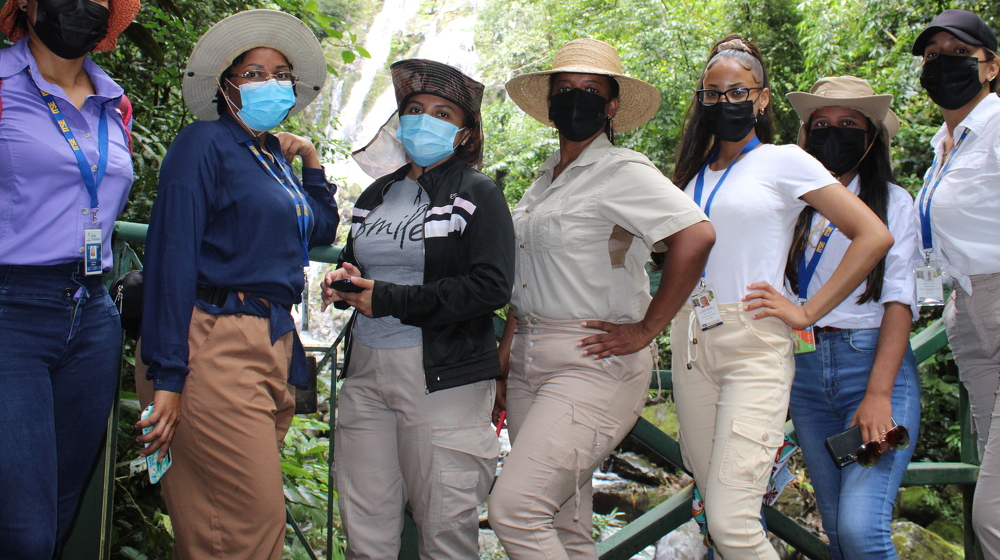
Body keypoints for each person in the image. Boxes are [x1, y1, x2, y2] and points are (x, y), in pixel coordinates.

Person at [488, 38, 716, 560]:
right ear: (549, 103)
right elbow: (527, 276)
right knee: (565, 526)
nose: (576, 99)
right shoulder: (545, 179)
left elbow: (696, 235)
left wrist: (645, 329)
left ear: (612, 106)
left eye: (591, 91)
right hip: (529, 360)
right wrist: (505, 357)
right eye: (565, 90)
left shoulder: (622, 170)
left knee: (515, 509)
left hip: (592, 360)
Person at [671, 36, 893, 560]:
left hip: (752, 344)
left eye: (737, 92)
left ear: (763, 99)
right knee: (714, 509)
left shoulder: (783, 160)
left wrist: (808, 311)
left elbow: (873, 234)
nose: (725, 103)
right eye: (713, 93)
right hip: (690, 345)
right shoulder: (693, 177)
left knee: (732, 524)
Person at [135, 9, 339, 560]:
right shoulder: (203, 144)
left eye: (280, 73)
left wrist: (313, 166)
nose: (270, 83)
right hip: (213, 343)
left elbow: (318, 228)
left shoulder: (271, 156)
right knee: (250, 528)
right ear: (225, 84)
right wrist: (167, 376)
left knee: (218, 529)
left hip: (271, 345)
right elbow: (171, 258)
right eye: (253, 72)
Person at [321, 58, 514, 560]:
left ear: (466, 132)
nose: (424, 119)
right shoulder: (376, 194)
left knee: (445, 533)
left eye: (442, 112)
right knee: (365, 529)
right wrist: (343, 278)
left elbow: (491, 287)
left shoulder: (479, 194)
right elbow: (358, 259)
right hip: (365, 372)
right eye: (414, 108)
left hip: (442, 377)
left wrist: (387, 298)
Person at [0, 0, 140, 560]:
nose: (77, 4)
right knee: (24, 532)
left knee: (54, 513)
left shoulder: (116, 105)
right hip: (11, 311)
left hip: (93, 314)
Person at [783, 76, 921, 560]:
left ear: (871, 138)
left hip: (870, 367)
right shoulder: (793, 206)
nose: (832, 133)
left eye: (848, 124)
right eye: (820, 124)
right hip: (804, 375)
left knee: (862, 532)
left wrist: (878, 395)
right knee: (840, 535)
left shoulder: (892, 203)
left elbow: (900, 303)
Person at [911, 9, 1000, 558]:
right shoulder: (946, 145)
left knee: (992, 514)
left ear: (991, 67)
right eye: (933, 57)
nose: (942, 65)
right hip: (967, 314)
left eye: (959, 55)